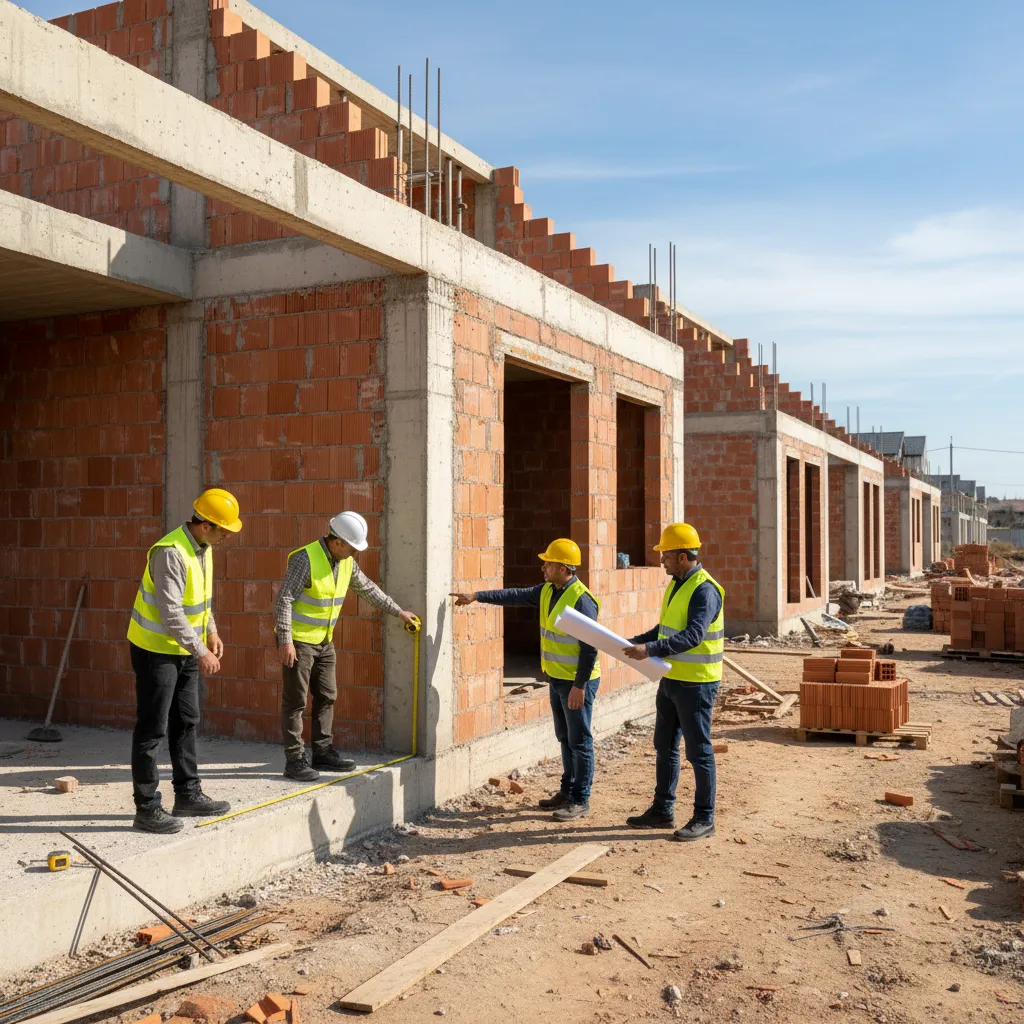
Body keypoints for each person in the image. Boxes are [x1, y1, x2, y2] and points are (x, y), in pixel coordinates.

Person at [451, 539, 600, 821]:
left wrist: (580, 686)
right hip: (557, 678)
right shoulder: (547, 591)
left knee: (580, 741)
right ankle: (567, 792)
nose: (543, 567)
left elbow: (590, 646)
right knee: (565, 737)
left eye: (549, 563)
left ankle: (580, 799)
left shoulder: (581, 599)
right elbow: (514, 595)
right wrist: (477, 595)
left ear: (563, 567)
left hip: (577, 683)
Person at [126, 488, 242, 834]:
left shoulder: (203, 549)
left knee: (187, 721)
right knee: (152, 728)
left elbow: (201, 600)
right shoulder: (170, 553)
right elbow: (171, 612)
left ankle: (188, 795)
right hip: (155, 650)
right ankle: (146, 808)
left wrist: (212, 631)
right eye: (223, 530)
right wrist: (201, 651)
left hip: (184, 650)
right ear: (204, 525)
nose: (226, 537)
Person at [275, 511, 419, 782]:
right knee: (295, 702)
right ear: (337, 541)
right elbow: (284, 599)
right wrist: (285, 640)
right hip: (298, 642)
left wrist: (399, 612)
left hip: (324, 641)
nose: (355, 552)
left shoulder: (346, 563)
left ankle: (322, 752)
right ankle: (294, 761)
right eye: (352, 546)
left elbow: (368, 589)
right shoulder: (305, 559)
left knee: (327, 696)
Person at [622, 523, 724, 841]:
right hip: (670, 680)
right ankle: (662, 810)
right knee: (664, 746)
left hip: (696, 684)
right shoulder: (678, 584)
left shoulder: (705, 589)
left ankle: (704, 818)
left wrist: (649, 650)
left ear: (682, 556)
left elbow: (693, 635)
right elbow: (666, 629)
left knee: (698, 752)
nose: (661, 560)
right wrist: (632, 642)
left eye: (665, 555)